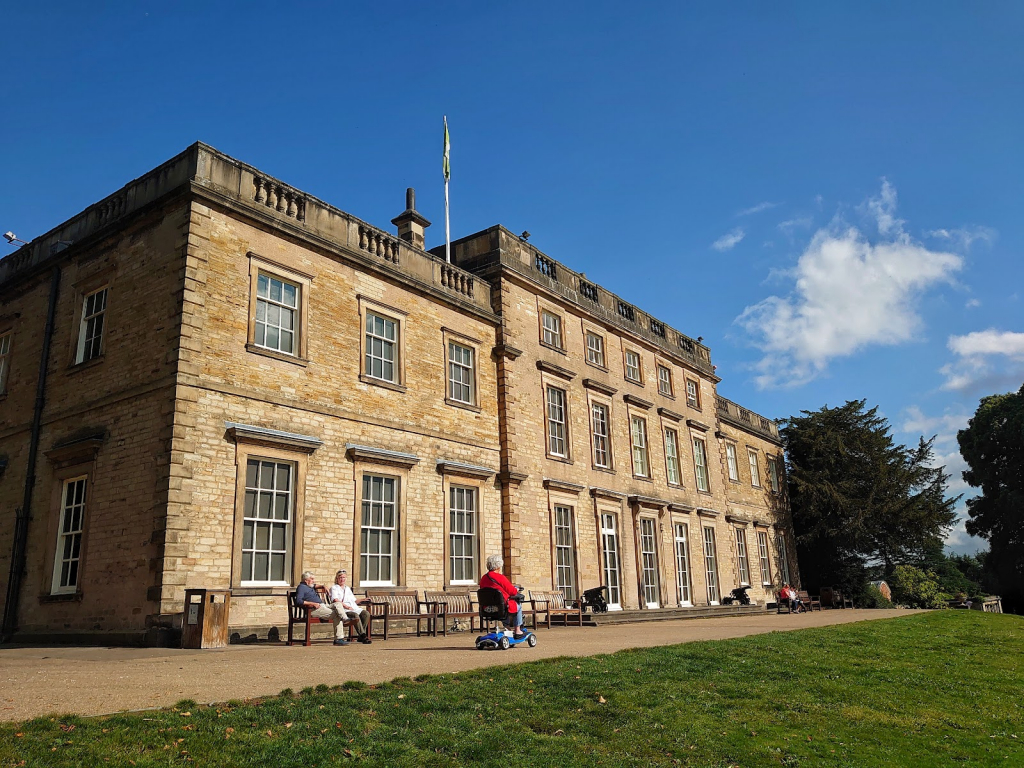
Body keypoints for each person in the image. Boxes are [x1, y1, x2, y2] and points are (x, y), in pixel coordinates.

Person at [294, 571, 349, 645]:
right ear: (306, 580)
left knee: (338, 604)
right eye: (312, 579)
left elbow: (315, 585)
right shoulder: (301, 588)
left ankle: (345, 618)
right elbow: (298, 601)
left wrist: (323, 586)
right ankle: (339, 639)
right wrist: (313, 604)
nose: (314, 581)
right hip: (313, 609)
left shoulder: (309, 586)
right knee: (337, 615)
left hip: (323, 605)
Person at [479, 554, 526, 639]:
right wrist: (516, 589)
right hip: (500, 607)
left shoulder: (483, 578)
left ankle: (507, 627)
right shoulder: (500, 577)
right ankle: (518, 630)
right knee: (517, 605)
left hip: (486, 608)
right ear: (498, 566)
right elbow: (512, 591)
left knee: (503, 606)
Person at [329, 569, 372, 644]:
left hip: (353, 608)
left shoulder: (347, 588)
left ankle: (361, 635)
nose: (342, 579)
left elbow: (354, 601)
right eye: (340, 577)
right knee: (355, 615)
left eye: (343, 577)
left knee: (366, 614)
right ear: (337, 578)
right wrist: (346, 606)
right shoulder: (334, 588)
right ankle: (363, 636)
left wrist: (363, 599)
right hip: (343, 610)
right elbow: (335, 600)